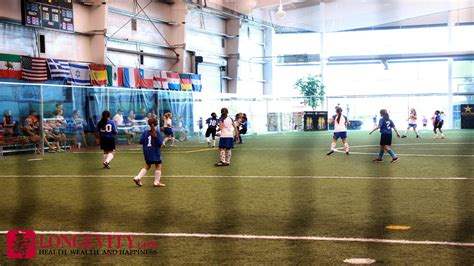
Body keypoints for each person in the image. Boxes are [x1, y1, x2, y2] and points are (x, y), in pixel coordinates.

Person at [133, 118, 166, 187]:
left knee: (148, 165)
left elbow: (141, 141)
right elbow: (160, 143)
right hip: (154, 151)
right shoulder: (157, 132)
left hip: (146, 151)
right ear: (156, 124)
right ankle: (156, 182)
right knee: (158, 165)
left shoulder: (145, 132)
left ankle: (138, 177)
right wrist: (162, 144)